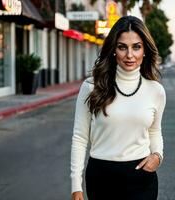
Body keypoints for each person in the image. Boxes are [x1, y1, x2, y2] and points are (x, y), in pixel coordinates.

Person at [70, 15, 166, 200]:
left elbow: (155, 131)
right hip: (101, 178)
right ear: (114, 49)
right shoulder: (91, 87)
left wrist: (157, 156)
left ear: (145, 50)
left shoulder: (156, 91)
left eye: (136, 47)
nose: (130, 55)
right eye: (122, 47)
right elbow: (80, 137)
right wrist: (76, 186)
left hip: (142, 177)